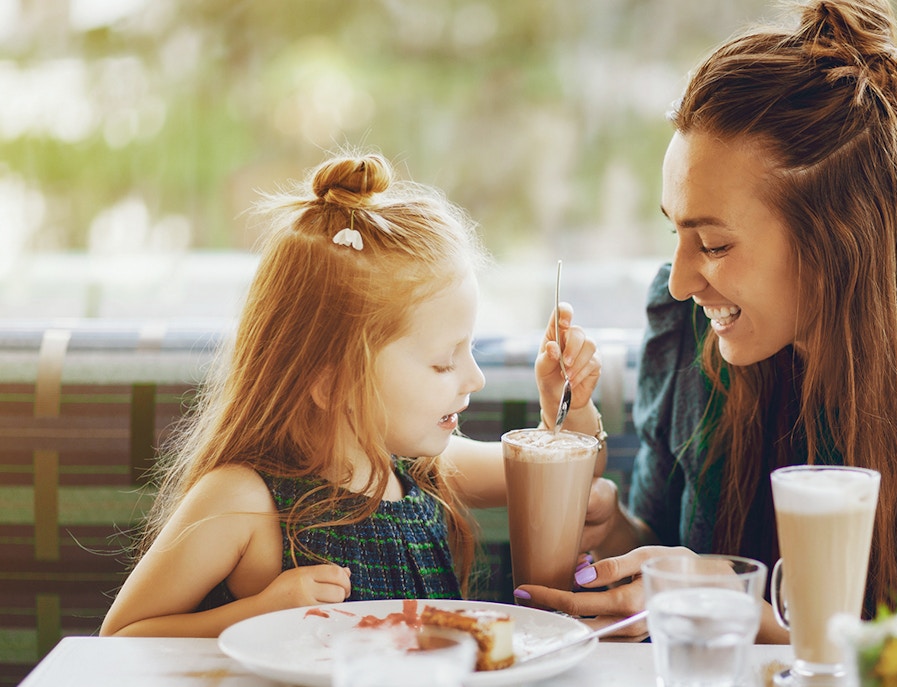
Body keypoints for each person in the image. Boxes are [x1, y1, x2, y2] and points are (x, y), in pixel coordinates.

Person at [515, 1, 897, 683]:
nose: (678, 281)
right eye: (674, 232)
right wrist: (615, 538)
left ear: (836, 239)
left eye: (713, 243)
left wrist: (731, 602)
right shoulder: (687, 330)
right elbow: (663, 548)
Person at [100, 152, 606, 637]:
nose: (475, 378)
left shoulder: (423, 470)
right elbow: (122, 635)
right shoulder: (243, 501)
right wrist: (259, 613)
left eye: (468, 350)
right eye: (442, 362)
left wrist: (568, 403)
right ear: (330, 381)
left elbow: (572, 478)